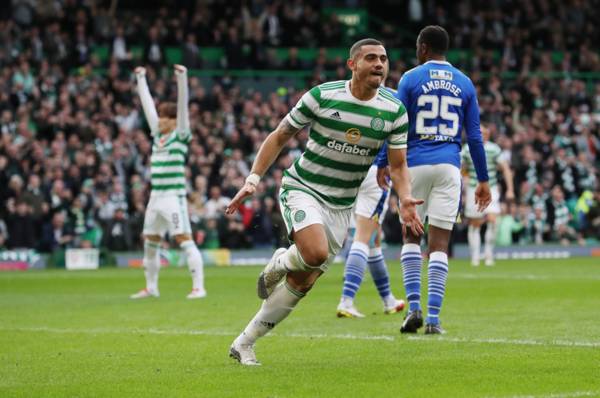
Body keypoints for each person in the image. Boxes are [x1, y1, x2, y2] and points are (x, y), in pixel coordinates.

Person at [226, 38, 423, 365]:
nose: (379, 64)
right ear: (352, 65)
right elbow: (280, 135)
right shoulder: (322, 96)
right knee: (314, 253)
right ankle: (282, 261)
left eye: (384, 59)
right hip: (304, 187)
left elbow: (399, 165)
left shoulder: (394, 110)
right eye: (371, 58)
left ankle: (245, 342)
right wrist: (253, 179)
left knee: (306, 279)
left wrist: (405, 200)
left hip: (342, 206)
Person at [376, 26, 491, 334]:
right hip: (450, 168)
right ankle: (434, 320)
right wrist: (483, 179)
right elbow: (475, 137)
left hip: (414, 167)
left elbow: (394, 124)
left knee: (411, 237)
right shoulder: (465, 83)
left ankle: (414, 308)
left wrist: (382, 162)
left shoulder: (411, 78)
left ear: (423, 47)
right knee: (439, 244)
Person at [130, 64, 206, 300]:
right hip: (155, 198)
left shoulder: (180, 136)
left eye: (165, 117)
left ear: (173, 121)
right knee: (150, 243)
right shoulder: (157, 137)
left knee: (184, 240)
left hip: (174, 197)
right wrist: (141, 78)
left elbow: (183, 108)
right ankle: (151, 287)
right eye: (160, 116)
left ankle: (198, 287)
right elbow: (147, 107)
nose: (160, 119)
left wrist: (182, 78)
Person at [336, 160, 406, 318]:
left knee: (373, 241)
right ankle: (346, 301)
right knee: (363, 237)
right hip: (375, 171)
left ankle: (388, 300)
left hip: (347, 170)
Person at [462, 124, 514, 266]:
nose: (483, 135)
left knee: (493, 220)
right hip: (473, 188)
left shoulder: (494, 149)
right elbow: (461, 168)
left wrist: (510, 189)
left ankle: (489, 253)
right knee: (475, 223)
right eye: (480, 133)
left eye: (485, 133)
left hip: (491, 189)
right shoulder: (467, 149)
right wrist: (462, 185)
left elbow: (505, 169)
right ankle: (475, 256)